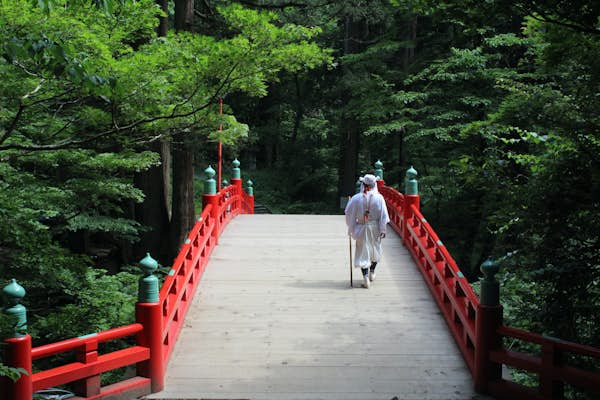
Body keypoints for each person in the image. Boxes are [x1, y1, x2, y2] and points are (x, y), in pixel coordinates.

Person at [344, 174, 390, 288]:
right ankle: (372, 272)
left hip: (361, 227)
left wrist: (351, 227)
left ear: (363, 184)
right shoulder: (379, 198)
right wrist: (383, 229)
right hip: (375, 227)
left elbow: (348, 213)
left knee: (363, 251)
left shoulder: (356, 198)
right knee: (375, 249)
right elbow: (384, 215)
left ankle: (365, 279)